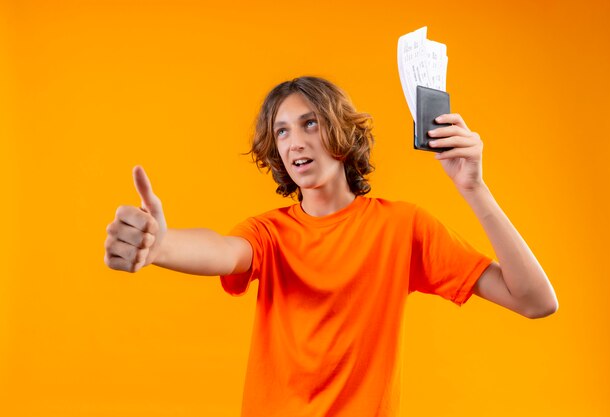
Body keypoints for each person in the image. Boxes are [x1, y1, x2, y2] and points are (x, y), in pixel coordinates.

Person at [104, 76, 558, 417]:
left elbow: (535, 301)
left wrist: (474, 188)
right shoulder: (269, 233)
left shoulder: (402, 226)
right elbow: (222, 251)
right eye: (281, 132)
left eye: (310, 122)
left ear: (343, 133)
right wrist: (161, 246)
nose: (295, 141)